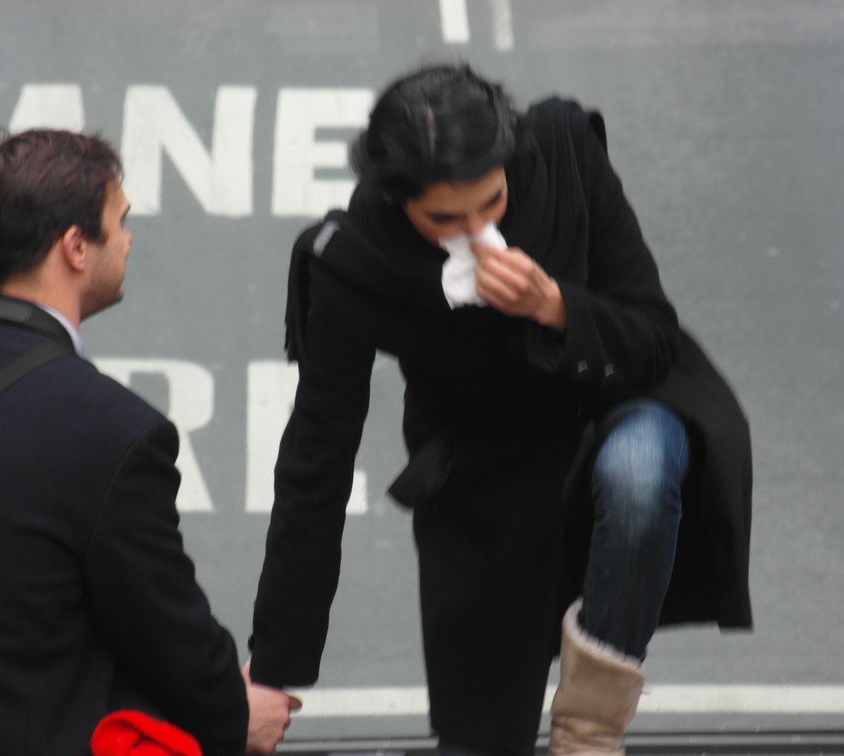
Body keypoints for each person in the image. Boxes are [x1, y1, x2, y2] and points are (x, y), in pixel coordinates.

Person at [246, 62, 752, 756]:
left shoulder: (565, 153)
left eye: (491, 203)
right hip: (481, 464)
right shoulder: (351, 266)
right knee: (481, 737)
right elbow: (316, 463)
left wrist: (555, 307)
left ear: (510, 161)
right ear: (395, 201)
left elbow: (654, 339)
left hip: (613, 401)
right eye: (444, 219)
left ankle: (589, 731)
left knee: (638, 472)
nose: (475, 229)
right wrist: (274, 671)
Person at [0, 128, 299, 756]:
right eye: (119, 222)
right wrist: (234, 712)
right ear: (76, 247)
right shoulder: (113, 430)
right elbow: (168, 638)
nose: (128, 240)